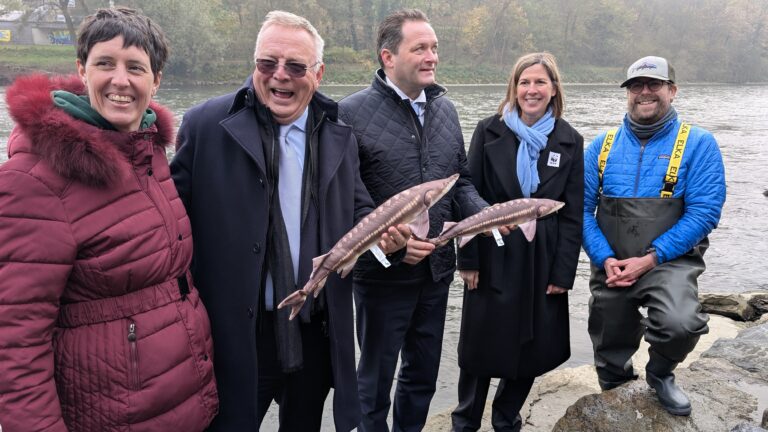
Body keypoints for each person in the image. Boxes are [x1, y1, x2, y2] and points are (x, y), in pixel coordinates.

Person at [170, 10, 409, 432]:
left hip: (316, 328)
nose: (280, 75)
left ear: (318, 73)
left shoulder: (338, 132)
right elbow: (171, 227)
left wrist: (389, 237)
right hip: (236, 333)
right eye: (268, 62)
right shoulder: (205, 125)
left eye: (296, 66)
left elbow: (357, 211)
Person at [0, 7, 218, 432]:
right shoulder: (32, 182)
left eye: (135, 67)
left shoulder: (149, 155)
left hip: (185, 406)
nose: (120, 80)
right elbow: (14, 343)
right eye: (105, 63)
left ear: (156, 80)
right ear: (82, 70)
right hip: (113, 418)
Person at [338, 9, 489, 431]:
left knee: (421, 378)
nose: (432, 56)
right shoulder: (349, 113)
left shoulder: (446, 109)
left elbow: (461, 182)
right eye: (420, 48)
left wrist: (487, 215)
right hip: (380, 277)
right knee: (373, 385)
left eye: (434, 47)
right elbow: (347, 200)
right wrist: (390, 243)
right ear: (388, 57)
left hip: (436, 272)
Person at [583, 55, 726, 416]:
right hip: (612, 263)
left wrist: (651, 258)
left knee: (681, 325)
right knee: (607, 333)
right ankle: (615, 386)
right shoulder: (600, 146)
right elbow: (580, 211)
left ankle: (660, 373)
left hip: (668, 262)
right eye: (636, 86)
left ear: (672, 91)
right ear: (627, 93)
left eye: (654, 85)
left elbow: (704, 213)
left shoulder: (699, 143)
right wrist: (604, 258)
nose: (644, 92)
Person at [449, 52, 584, 432]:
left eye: (540, 82)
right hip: (493, 252)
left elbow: (573, 213)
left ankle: (506, 417)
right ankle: (465, 421)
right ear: (514, 87)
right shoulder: (488, 130)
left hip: (543, 260)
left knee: (533, 346)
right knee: (479, 346)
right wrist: (468, 259)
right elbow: (466, 195)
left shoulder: (570, 140)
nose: (531, 90)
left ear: (554, 89)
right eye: (524, 82)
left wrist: (563, 273)